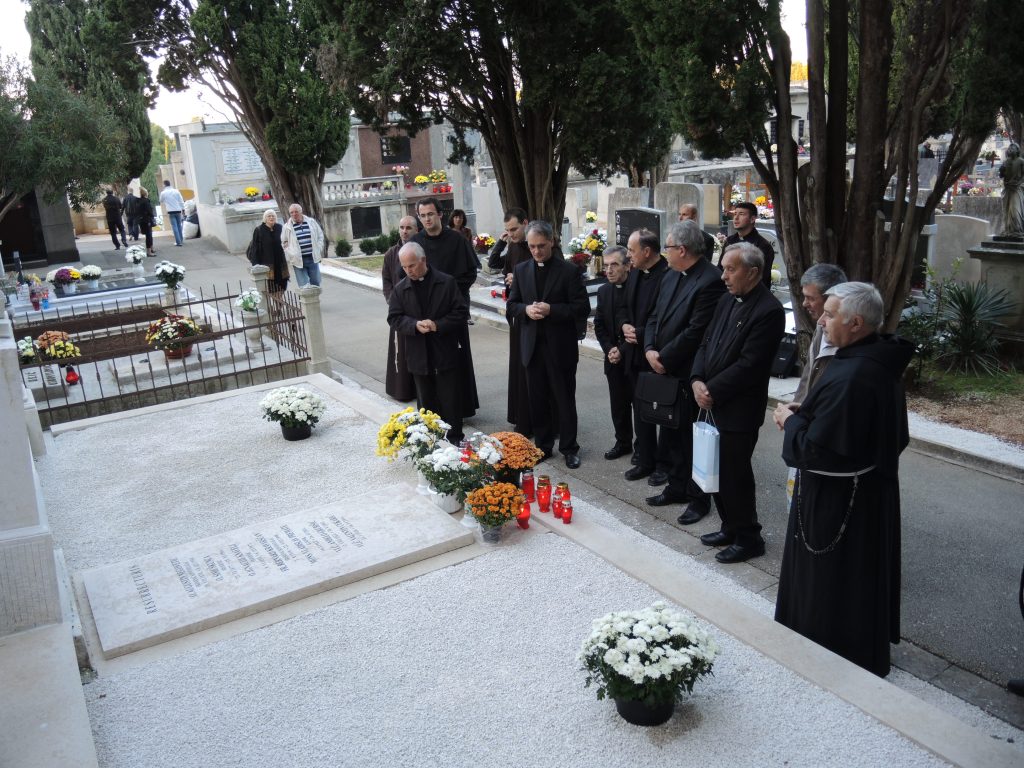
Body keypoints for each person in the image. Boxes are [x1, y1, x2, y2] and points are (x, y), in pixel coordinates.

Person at [772, 282, 914, 677]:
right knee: (858, 579)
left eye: (830, 314)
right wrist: (812, 409)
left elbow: (815, 451)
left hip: (838, 499)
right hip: (866, 494)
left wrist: (792, 420)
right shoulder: (871, 361)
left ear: (854, 323)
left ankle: (824, 652)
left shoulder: (855, 373)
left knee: (833, 587)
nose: (821, 319)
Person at [690, 242, 784, 564]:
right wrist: (697, 379)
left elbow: (750, 365)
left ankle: (749, 537)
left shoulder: (768, 310)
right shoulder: (726, 300)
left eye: (731, 269)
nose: (724, 276)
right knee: (714, 471)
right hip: (710, 401)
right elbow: (705, 342)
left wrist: (710, 389)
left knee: (735, 476)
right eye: (724, 268)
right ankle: (729, 526)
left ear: (753, 272)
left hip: (738, 409)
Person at [643, 220, 727, 520]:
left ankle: (698, 499)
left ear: (682, 249)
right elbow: (655, 315)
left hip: (688, 371)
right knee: (670, 434)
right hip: (663, 365)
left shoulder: (710, 280)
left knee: (691, 439)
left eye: (667, 247)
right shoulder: (671, 275)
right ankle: (676, 487)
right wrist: (649, 349)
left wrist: (664, 357)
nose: (664, 252)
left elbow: (696, 331)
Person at [506, 220, 590, 468]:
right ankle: (543, 446)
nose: (536, 251)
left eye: (541, 246)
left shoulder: (569, 271)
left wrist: (552, 309)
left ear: (552, 242)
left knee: (564, 400)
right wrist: (525, 310)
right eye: (532, 246)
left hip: (560, 348)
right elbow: (512, 305)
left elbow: (581, 308)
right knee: (538, 399)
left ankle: (569, 448)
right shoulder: (521, 270)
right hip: (532, 347)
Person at [387, 242, 468, 444]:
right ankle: (430, 441)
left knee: (450, 401)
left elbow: (460, 313)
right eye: (404, 267)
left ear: (423, 260)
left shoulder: (446, 282)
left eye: (412, 266)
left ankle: (455, 440)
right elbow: (394, 318)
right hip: (418, 355)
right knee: (426, 403)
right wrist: (414, 325)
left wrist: (437, 325)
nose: (408, 271)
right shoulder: (400, 288)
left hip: (444, 351)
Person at [412, 197, 480, 416]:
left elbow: (469, 273)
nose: (427, 219)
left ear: (440, 214)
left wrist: (447, 295)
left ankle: (460, 406)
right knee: (426, 363)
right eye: (422, 216)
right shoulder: (415, 242)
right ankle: (431, 409)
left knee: (456, 360)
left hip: (452, 310)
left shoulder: (457, 240)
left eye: (430, 214)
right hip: (424, 313)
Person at [617, 228, 669, 481]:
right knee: (640, 411)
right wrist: (625, 325)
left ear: (647, 251)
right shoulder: (636, 272)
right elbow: (625, 304)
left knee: (663, 413)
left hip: (655, 353)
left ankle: (664, 464)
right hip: (634, 353)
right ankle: (645, 459)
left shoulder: (669, 275)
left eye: (632, 250)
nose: (628, 256)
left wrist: (640, 333)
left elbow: (664, 317)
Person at [593, 245, 633, 460]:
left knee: (641, 407)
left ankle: (644, 448)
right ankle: (623, 442)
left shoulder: (637, 288)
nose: (608, 270)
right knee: (618, 405)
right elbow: (599, 325)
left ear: (627, 266)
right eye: (606, 266)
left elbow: (640, 326)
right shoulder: (603, 291)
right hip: (612, 359)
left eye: (614, 265)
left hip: (634, 358)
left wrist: (622, 350)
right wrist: (609, 349)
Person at [791, 263, 848, 404]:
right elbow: (807, 377)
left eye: (810, 298)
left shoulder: (847, 340)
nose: (804, 304)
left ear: (831, 298)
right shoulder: (821, 328)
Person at [381, 215, 419, 402]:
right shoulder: (390, 254)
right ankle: (403, 390)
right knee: (401, 352)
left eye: (409, 228)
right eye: (402, 227)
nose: (404, 231)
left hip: (419, 311)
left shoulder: (421, 252)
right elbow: (387, 281)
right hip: (400, 312)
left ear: (416, 230)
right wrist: (392, 301)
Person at [724, 202, 775, 287]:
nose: (736, 218)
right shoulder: (730, 240)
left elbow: (761, 278)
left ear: (752, 219)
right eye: (735, 214)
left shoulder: (762, 246)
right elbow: (720, 268)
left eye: (741, 214)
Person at [281, 204, 326, 287]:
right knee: (304, 286)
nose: (294, 214)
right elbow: (284, 242)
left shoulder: (311, 222)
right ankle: (305, 300)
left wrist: (318, 248)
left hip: (312, 258)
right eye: (291, 212)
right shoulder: (287, 227)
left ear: (301, 212)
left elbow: (320, 236)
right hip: (298, 259)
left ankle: (315, 300)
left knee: (316, 283)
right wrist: (291, 253)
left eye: (296, 212)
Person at [247, 209, 289, 291]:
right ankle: (277, 302)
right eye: (269, 216)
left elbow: (286, 241)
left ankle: (279, 302)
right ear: (265, 218)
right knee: (270, 286)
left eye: (273, 216)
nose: (271, 217)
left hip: (280, 263)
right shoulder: (259, 230)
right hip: (266, 263)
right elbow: (255, 248)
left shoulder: (280, 228)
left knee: (282, 285)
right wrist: (256, 264)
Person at [999, 142, 1024, 236]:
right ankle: (1008, 230)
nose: (1011, 149)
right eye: (1010, 148)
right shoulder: (1006, 162)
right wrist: (1001, 171)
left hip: (1017, 189)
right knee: (1006, 210)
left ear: (1017, 150)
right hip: (1007, 188)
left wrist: (1018, 183)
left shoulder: (1021, 161)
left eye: (1013, 147)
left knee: (1015, 209)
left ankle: (1017, 230)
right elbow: (1002, 175)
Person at [159, 180, 186, 247]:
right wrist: (183, 209)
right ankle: (181, 239)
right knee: (179, 225)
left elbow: (161, 200)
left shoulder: (163, 193)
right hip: (178, 210)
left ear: (164, 185)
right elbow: (181, 200)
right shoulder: (176, 191)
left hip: (170, 211)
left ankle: (178, 242)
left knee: (174, 226)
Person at [137, 188, 157, 257]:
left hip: (142, 220)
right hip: (147, 220)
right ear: (145, 193)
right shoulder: (146, 201)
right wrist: (152, 216)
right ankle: (149, 251)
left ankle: (151, 248)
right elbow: (150, 211)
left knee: (149, 235)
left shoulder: (139, 201)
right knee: (149, 236)